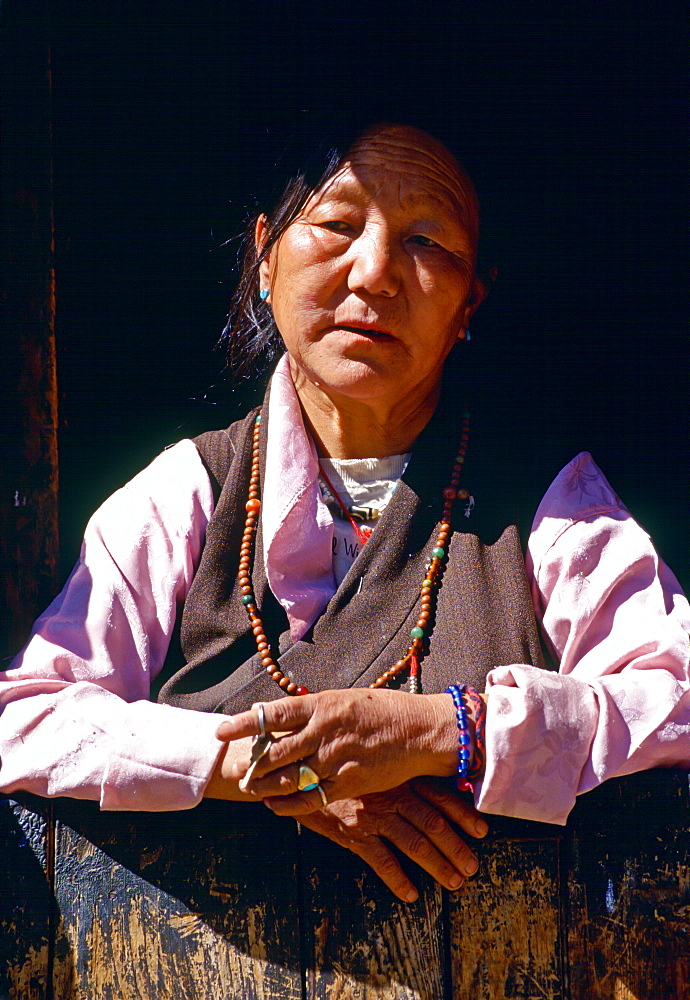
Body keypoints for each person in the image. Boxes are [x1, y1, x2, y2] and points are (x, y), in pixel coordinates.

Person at [1, 123, 689, 905]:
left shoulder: (548, 503)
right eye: (336, 224)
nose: (376, 274)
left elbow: (675, 700)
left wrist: (440, 732)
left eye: (427, 242)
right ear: (265, 256)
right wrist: (273, 770)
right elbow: (25, 718)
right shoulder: (190, 491)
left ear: (471, 301)